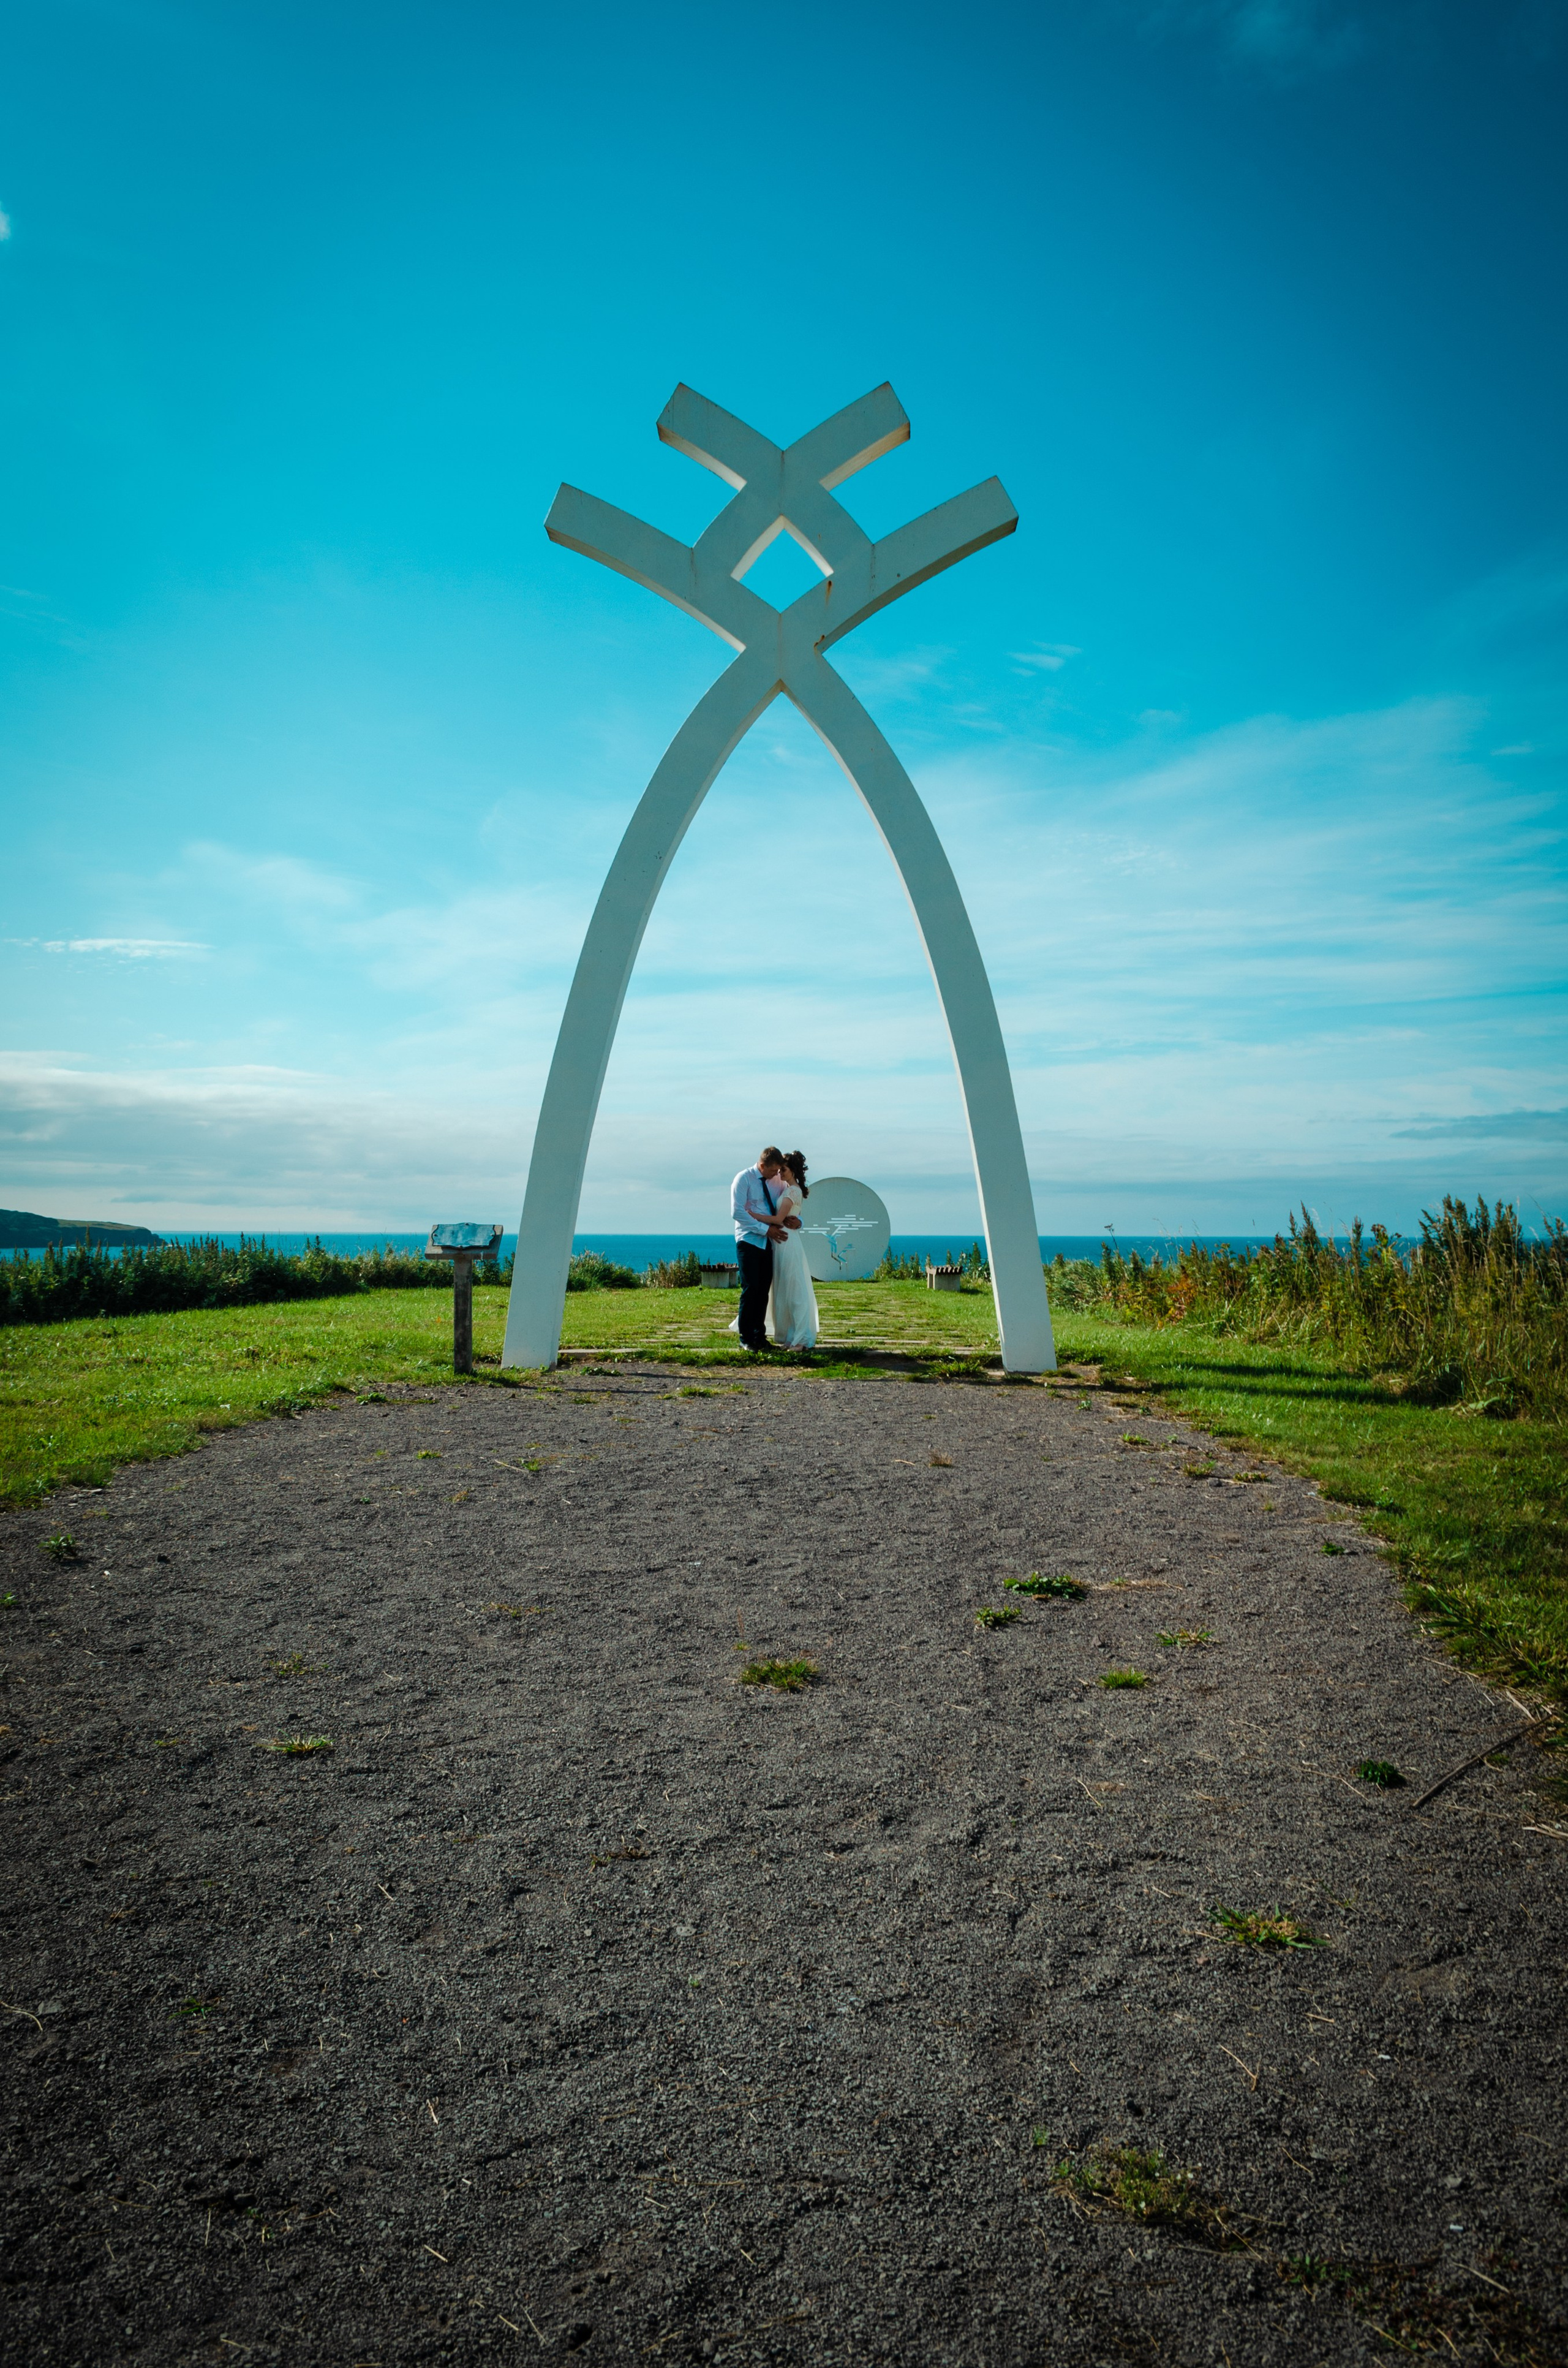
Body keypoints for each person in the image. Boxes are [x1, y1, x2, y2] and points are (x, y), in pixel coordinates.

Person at [729, 1146, 796, 1352]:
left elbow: (784, 1203)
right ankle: (746, 1338)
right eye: (772, 1171)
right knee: (750, 1289)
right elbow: (738, 1212)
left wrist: (794, 1220)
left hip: (769, 1242)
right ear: (762, 1165)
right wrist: (764, 1229)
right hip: (749, 1240)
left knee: (763, 1290)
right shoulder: (744, 1179)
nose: (776, 1175)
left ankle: (760, 1337)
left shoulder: (777, 1180)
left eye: (778, 1171)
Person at [763, 1152, 818, 1349]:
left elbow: (779, 1219)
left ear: (792, 1169)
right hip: (782, 1243)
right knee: (785, 1290)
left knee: (795, 1291)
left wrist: (752, 1215)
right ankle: (792, 1336)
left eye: (783, 1169)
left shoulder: (792, 1191)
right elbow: (795, 1216)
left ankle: (802, 1339)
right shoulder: (787, 1190)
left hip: (787, 1243)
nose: (780, 1173)